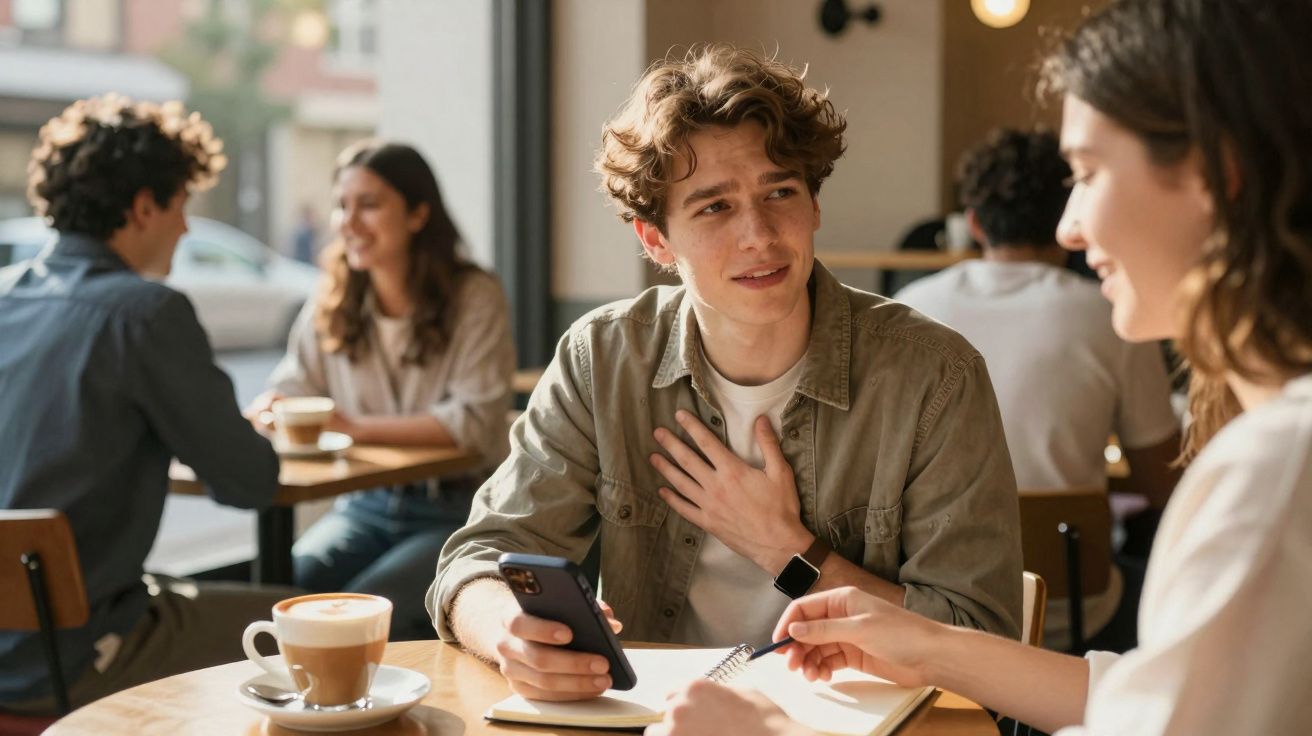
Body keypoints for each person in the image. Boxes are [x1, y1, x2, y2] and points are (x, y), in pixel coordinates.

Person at [648, 1, 1312, 734]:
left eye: (1087, 173)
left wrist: (771, 734)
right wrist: (932, 646)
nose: (1067, 227)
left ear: (1218, 176)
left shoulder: (1276, 470)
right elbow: (1150, 699)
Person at [431, 44, 1023, 702]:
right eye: (715, 208)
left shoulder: (932, 376)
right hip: (659, 717)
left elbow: (980, 638)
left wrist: (788, 551)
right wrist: (508, 629)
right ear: (656, 240)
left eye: (780, 192)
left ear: (815, 204)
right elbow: (478, 557)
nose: (761, 235)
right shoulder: (601, 360)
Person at [0, 95, 288, 713]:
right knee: (319, 623)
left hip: (24, 648)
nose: (186, 229)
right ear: (143, 207)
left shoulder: (6, 298)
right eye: (182, 207)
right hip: (70, 660)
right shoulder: (146, 316)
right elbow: (250, 481)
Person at [895, 127, 1182, 649]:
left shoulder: (908, 309)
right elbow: (1161, 482)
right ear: (1067, 219)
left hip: (937, 604)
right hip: (1077, 607)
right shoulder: (1111, 312)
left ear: (975, 223)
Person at [246, 140, 514, 642]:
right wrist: (270, 408)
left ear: (417, 215)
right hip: (363, 506)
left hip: (457, 511)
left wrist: (350, 427)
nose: (348, 222)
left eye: (369, 205)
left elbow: (474, 425)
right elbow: (289, 386)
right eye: (342, 205)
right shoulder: (333, 296)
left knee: (362, 612)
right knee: (281, 598)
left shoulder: (475, 296)